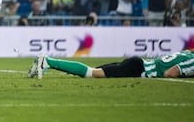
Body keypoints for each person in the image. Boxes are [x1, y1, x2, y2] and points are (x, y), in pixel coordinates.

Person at [27, 50, 194, 79]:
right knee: (92, 74)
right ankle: (48, 61)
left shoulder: (189, 53)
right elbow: (170, 73)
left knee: (93, 71)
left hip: (138, 64)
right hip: (138, 69)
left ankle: (45, 62)